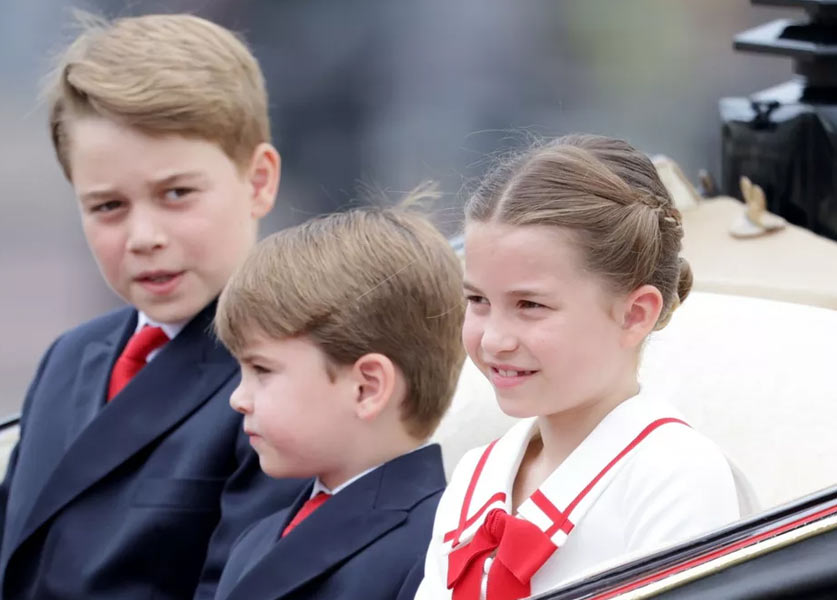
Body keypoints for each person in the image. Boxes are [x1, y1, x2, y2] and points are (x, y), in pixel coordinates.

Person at [0, 13, 302, 600]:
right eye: (108, 206)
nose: (143, 235)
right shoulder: (71, 357)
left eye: (176, 194)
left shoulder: (291, 376)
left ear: (259, 181)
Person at [416, 134, 746, 600]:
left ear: (636, 313)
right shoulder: (476, 475)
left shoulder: (676, 475)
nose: (493, 339)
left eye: (530, 304)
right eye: (478, 300)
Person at [211, 199, 466, 600]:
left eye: (262, 370)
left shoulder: (441, 548)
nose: (238, 399)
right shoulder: (255, 539)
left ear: (367, 388)